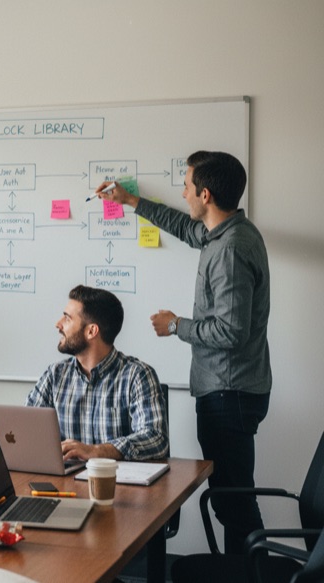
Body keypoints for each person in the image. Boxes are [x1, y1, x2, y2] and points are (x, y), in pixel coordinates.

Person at [96, 150, 270, 554]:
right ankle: (241, 572)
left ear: (205, 195)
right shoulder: (227, 232)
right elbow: (183, 227)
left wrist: (176, 325)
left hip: (229, 392)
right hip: (232, 389)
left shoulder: (229, 250)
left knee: (234, 503)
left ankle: (247, 574)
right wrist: (131, 200)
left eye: (188, 186)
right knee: (232, 499)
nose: (183, 193)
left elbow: (231, 331)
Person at [26, 285, 168, 461]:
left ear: (91, 331)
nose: (58, 324)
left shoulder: (138, 375)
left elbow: (156, 438)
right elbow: (27, 428)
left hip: (116, 478)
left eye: (67, 318)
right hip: (66, 477)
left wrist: (96, 451)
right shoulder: (55, 375)